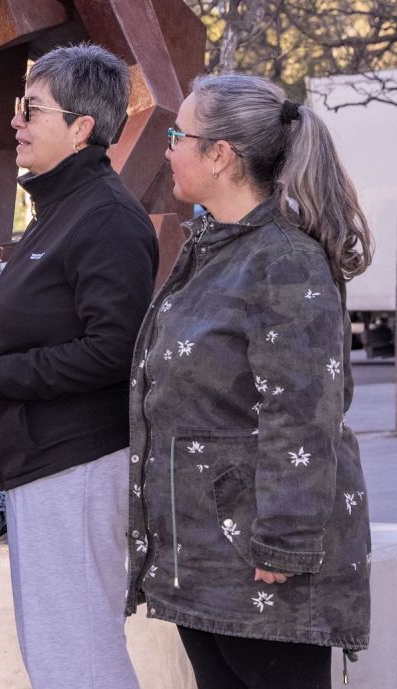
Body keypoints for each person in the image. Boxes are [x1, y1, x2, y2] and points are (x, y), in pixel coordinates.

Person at [125, 73, 373, 689]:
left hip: (258, 561)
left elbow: (304, 413)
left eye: (179, 134)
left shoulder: (284, 260)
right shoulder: (217, 247)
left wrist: (284, 543)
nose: (168, 147)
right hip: (206, 558)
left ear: (220, 155)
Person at [0, 44, 157, 689]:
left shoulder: (107, 217)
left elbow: (113, 352)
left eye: (31, 109)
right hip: (44, 465)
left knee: (77, 654)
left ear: (81, 127)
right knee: (60, 653)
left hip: (79, 465)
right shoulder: (61, 210)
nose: (16, 122)